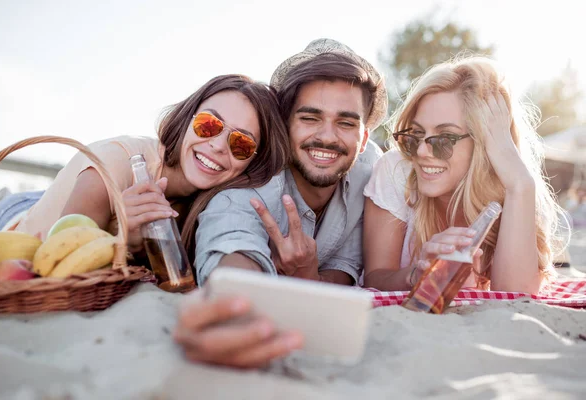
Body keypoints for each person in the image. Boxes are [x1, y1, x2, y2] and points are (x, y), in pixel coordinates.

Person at [173, 38, 387, 368]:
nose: (328, 137)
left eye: (346, 122)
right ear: (284, 128)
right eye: (310, 118)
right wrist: (232, 306)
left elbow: (345, 268)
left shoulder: (371, 175)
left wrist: (310, 276)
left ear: (363, 140)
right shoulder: (247, 191)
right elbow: (231, 247)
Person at [0, 74, 290, 259]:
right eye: (208, 125)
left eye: (241, 144)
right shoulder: (117, 161)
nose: (218, 145)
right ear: (187, 120)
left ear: (254, 160)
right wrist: (122, 239)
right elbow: (59, 258)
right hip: (17, 223)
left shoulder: (222, 201)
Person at [362, 55, 567, 295]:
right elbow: (374, 279)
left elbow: (514, 296)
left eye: (445, 139)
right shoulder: (398, 170)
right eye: (417, 134)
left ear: (484, 143)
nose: (420, 151)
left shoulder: (517, 187)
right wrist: (417, 274)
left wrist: (520, 185)